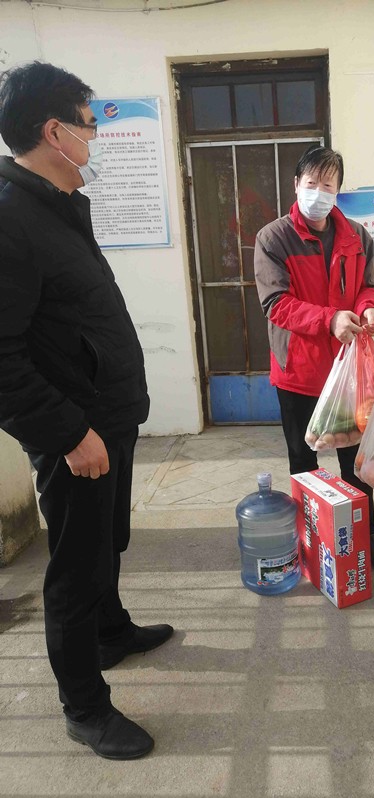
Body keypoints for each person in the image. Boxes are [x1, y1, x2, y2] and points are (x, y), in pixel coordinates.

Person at [0, 61, 173, 758]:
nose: (94, 138)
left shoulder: (58, 205)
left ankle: (111, 632)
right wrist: (70, 433)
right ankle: (85, 708)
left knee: (106, 544)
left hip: (108, 417)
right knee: (74, 571)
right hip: (76, 433)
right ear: (55, 132)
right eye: (89, 125)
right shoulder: (11, 219)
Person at [254, 145, 374, 561]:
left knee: (356, 463)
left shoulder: (357, 236)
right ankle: (315, 542)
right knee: (304, 461)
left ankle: (362, 541)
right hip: (298, 372)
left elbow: (371, 286)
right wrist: (330, 319)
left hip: (348, 371)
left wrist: (368, 307)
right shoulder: (274, 238)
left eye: (328, 185)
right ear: (296, 185)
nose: (319, 192)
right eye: (311, 183)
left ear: (338, 190)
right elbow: (276, 303)